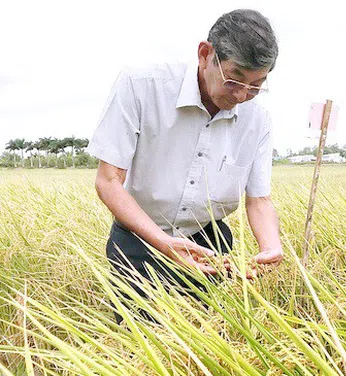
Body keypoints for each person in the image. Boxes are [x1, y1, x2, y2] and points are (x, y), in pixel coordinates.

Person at [88, 9, 283, 323]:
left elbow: (259, 199)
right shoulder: (142, 86)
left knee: (201, 334)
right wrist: (165, 243)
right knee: (139, 343)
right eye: (235, 80)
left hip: (208, 244)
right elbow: (108, 180)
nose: (243, 95)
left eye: (257, 85)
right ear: (205, 54)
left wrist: (270, 246)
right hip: (139, 237)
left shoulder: (257, 120)